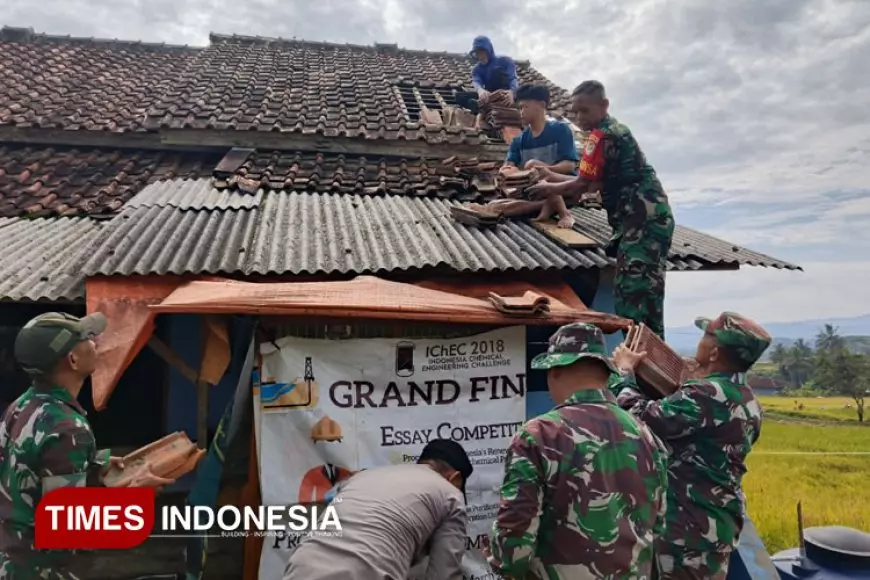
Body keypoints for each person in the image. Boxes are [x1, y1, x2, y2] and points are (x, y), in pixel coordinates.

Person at [0, 312, 173, 580]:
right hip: (42, 571)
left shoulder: (21, 407)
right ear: (73, 359)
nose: (95, 341)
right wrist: (134, 496)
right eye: (86, 337)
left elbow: (31, 471)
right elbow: (68, 530)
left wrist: (95, 467)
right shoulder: (68, 429)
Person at [488, 322, 668, 579]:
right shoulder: (646, 435)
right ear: (607, 375)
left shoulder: (540, 435)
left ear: (554, 371)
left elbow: (514, 546)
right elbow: (658, 525)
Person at [610, 311, 772, 580]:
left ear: (714, 353)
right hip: (714, 525)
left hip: (688, 530)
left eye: (706, 336)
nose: (700, 341)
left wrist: (623, 371)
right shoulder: (748, 400)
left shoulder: (705, 395)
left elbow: (637, 415)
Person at [529, 80, 675, 338]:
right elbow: (594, 183)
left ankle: (641, 362)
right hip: (642, 221)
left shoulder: (603, 136)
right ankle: (647, 359)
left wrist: (548, 187)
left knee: (634, 297)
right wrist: (550, 175)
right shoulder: (609, 131)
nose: (579, 117)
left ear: (604, 105)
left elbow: (583, 186)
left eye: (584, 111)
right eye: (575, 112)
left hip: (643, 223)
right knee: (645, 296)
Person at [283, 439, 473, 580]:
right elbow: (443, 575)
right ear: (454, 478)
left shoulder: (363, 477)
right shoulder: (451, 494)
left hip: (301, 568)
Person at [473, 84, 578, 222]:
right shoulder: (518, 141)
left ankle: (558, 209)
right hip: (536, 192)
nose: (521, 112)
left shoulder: (561, 130)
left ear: (541, 105)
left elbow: (569, 165)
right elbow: (510, 167)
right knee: (496, 206)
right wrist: (508, 171)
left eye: (525, 107)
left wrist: (543, 171)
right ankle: (545, 205)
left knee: (533, 166)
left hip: (562, 188)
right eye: (520, 108)